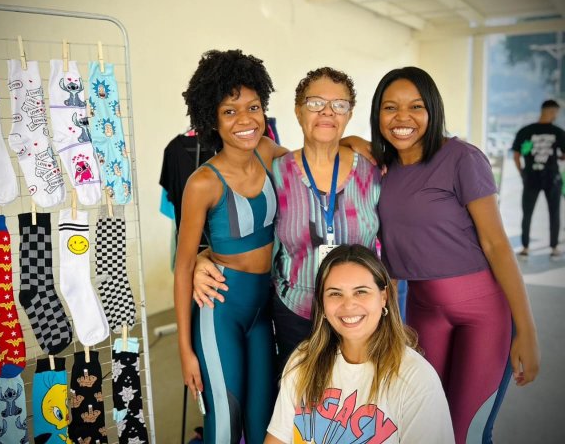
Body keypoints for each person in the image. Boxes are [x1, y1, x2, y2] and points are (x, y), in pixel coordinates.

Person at [372, 66, 540, 444]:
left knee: (467, 433)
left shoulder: (461, 158)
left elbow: (497, 244)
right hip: (422, 311)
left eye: (416, 106)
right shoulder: (382, 170)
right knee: (426, 428)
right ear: (377, 114)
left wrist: (528, 331)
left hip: (484, 314)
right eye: (390, 107)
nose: (402, 117)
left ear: (433, 110)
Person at [192, 67, 381, 375]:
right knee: (300, 398)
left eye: (339, 104)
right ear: (298, 110)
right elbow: (253, 233)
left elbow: (396, 244)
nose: (327, 112)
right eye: (315, 103)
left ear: (349, 114)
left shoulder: (373, 173)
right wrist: (205, 258)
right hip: (296, 314)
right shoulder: (276, 171)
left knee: (358, 399)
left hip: (359, 316)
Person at [175, 49, 285, 444]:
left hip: (262, 312)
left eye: (253, 107)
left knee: (262, 422)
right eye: (229, 111)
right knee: (224, 422)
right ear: (212, 119)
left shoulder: (268, 153)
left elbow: (314, 163)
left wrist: (352, 142)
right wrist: (185, 351)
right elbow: (183, 267)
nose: (245, 120)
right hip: (220, 309)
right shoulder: (203, 183)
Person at [264, 244, 454, 444]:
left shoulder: (416, 379)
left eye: (361, 292)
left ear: (384, 297)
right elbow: (278, 439)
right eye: (335, 294)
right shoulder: (303, 361)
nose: (348, 305)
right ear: (322, 302)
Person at [511, 99, 565, 260]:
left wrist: (522, 172)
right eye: (556, 112)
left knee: (531, 213)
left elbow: (516, 156)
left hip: (537, 177)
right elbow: (517, 154)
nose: (556, 116)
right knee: (550, 213)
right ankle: (552, 248)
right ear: (552, 111)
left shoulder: (527, 131)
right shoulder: (556, 132)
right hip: (548, 177)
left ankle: (527, 247)